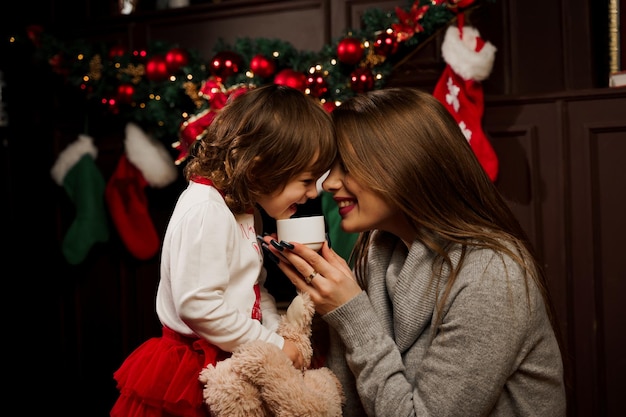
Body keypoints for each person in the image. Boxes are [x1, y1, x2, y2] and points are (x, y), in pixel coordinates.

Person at [262, 88, 567, 416]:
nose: (329, 183)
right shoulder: (374, 252)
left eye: (345, 166)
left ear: (404, 164)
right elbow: (342, 396)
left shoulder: (491, 273)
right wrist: (317, 300)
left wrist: (351, 314)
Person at [111, 84, 336, 417]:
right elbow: (198, 305)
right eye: (305, 181)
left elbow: (254, 289)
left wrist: (277, 336)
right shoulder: (206, 210)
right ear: (260, 167)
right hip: (195, 368)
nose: (312, 194)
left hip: (238, 356)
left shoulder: (244, 209)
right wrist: (274, 347)